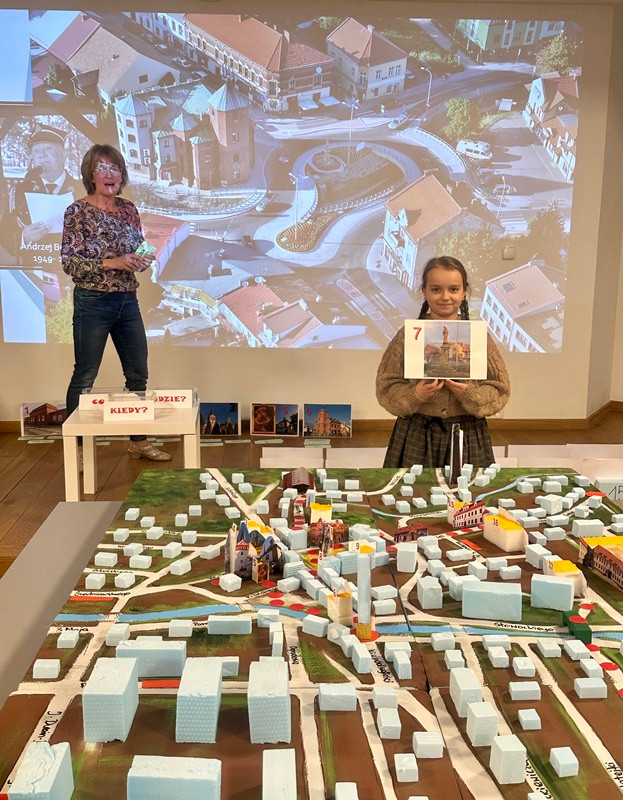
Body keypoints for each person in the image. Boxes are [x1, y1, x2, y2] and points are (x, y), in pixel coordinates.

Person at [62, 143, 170, 461]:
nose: (110, 174)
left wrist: (142, 260)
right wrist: (115, 262)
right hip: (92, 301)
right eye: (103, 168)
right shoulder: (77, 212)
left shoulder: (128, 209)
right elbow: (70, 263)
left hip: (127, 300)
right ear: (91, 175)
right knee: (85, 374)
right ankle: (79, 448)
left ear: (121, 176)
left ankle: (138, 441)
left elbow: (139, 248)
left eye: (115, 168)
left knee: (138, 373)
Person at [376, 256, 510, 468]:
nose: (445, 297)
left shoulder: (478, 337)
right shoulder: (407, 335)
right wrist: (415, 395)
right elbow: (386, 387)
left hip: (468, 434)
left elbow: (500, 388)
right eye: (436, 289)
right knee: (415, 489)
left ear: (464, 292)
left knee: (467, 490)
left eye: (453, 289)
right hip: (417, 433)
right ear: (425, 291)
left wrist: (470, 394)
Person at [0, 124, 82, 266]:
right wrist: (24, 236)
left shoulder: (83, 190)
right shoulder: (20, 191)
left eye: (48, 149)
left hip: (74, 271)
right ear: (32, 157)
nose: (42, 155)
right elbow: (5, 233)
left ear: (63, 154)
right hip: (33, 271)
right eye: (36, 151)